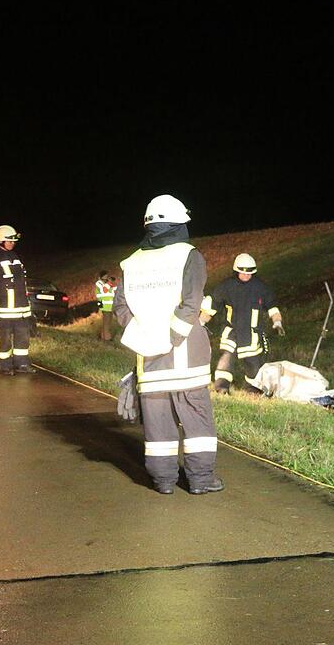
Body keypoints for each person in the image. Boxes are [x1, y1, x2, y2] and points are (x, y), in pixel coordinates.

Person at [113, 194, 222, 495]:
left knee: (157, 422)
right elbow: (191, 303)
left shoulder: (131, 262)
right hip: (185, 354)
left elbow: (121, 308)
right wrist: (172, 337)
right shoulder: (189, 255)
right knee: (196, 417)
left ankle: (163, 481)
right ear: (179, 223)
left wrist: (143, 334)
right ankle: (201, 480)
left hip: (148, 359)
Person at [200, 253, 284, 394]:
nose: (245, 275)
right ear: (236, 271)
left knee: (252, 363)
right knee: (226, 358)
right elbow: (212, 306)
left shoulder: (260, 287)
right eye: (242, 272)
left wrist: (277, 322)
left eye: (249, 273)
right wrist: (200, 322)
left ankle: (252, 389)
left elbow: (272, 307)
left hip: (251, 334)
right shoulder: (226, 287)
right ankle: (221, 387)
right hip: (231, 331)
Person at [0, 225, 35, 375]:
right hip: (2, 308)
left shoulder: (16, 256)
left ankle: (22, 364)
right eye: (8, 241)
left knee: (23, 336)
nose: (11, 244)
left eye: (13, 241)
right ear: (0, 241)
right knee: (4, 337)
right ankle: (5, 366)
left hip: (21, 308)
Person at [94, 270, 117, 341]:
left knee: (108, 321)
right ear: (101, 277)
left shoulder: (107, 283)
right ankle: (107, 338)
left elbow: (113, 290)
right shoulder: (99, 283)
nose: (107, 277)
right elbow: (104, 290)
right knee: (106, 321)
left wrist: (114, 283)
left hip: (110, 305)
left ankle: (103, 336)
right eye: (105, 276)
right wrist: (108, 283)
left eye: (107, 276)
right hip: (104, 305)